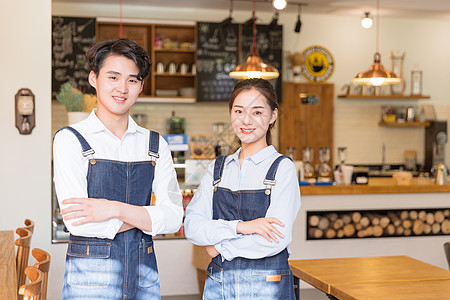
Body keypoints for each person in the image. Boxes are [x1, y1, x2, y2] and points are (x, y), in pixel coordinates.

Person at [53, 38, 183, 299]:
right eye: (113, 77)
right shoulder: (69, 139)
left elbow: (173, 218)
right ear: (94, 78)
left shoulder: (155, 144)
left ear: (141, 86)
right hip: (89, 281)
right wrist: (144, 219)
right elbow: (77, 222)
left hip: (144, 276)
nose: (122, 88)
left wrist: (112, 209)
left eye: (132, 80)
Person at [184, 78, 301, 299]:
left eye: (257, 112)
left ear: (273, 115)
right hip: (218, 282)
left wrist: (220, 247)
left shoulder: (282, 168)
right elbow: (192, 226)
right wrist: (243, 227)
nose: (246, 120)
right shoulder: (217, 168)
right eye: (239, 111)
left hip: (267, 285)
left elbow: (277, 237)